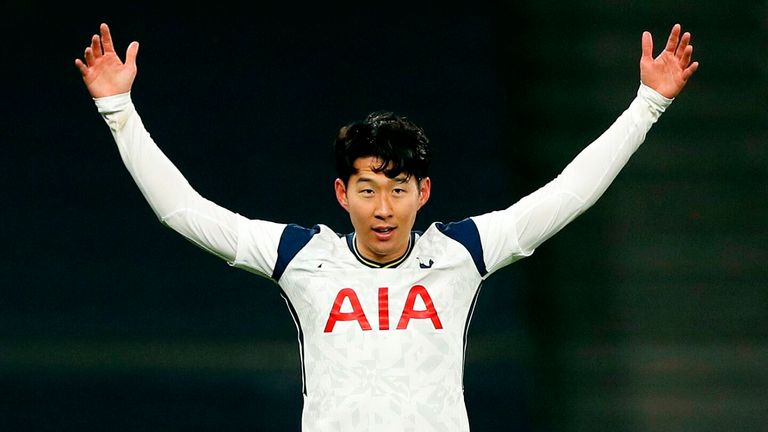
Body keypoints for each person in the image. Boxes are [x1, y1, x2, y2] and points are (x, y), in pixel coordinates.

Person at [75, 22, 698, 432]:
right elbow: (183, 211)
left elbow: (569, 194)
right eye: (368, 189)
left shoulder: (461, 254)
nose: (383, 207)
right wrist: (117, 109)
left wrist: (648, 104)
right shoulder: (303, 257)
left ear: (422, 193)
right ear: (341, 193)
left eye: (398, 189)